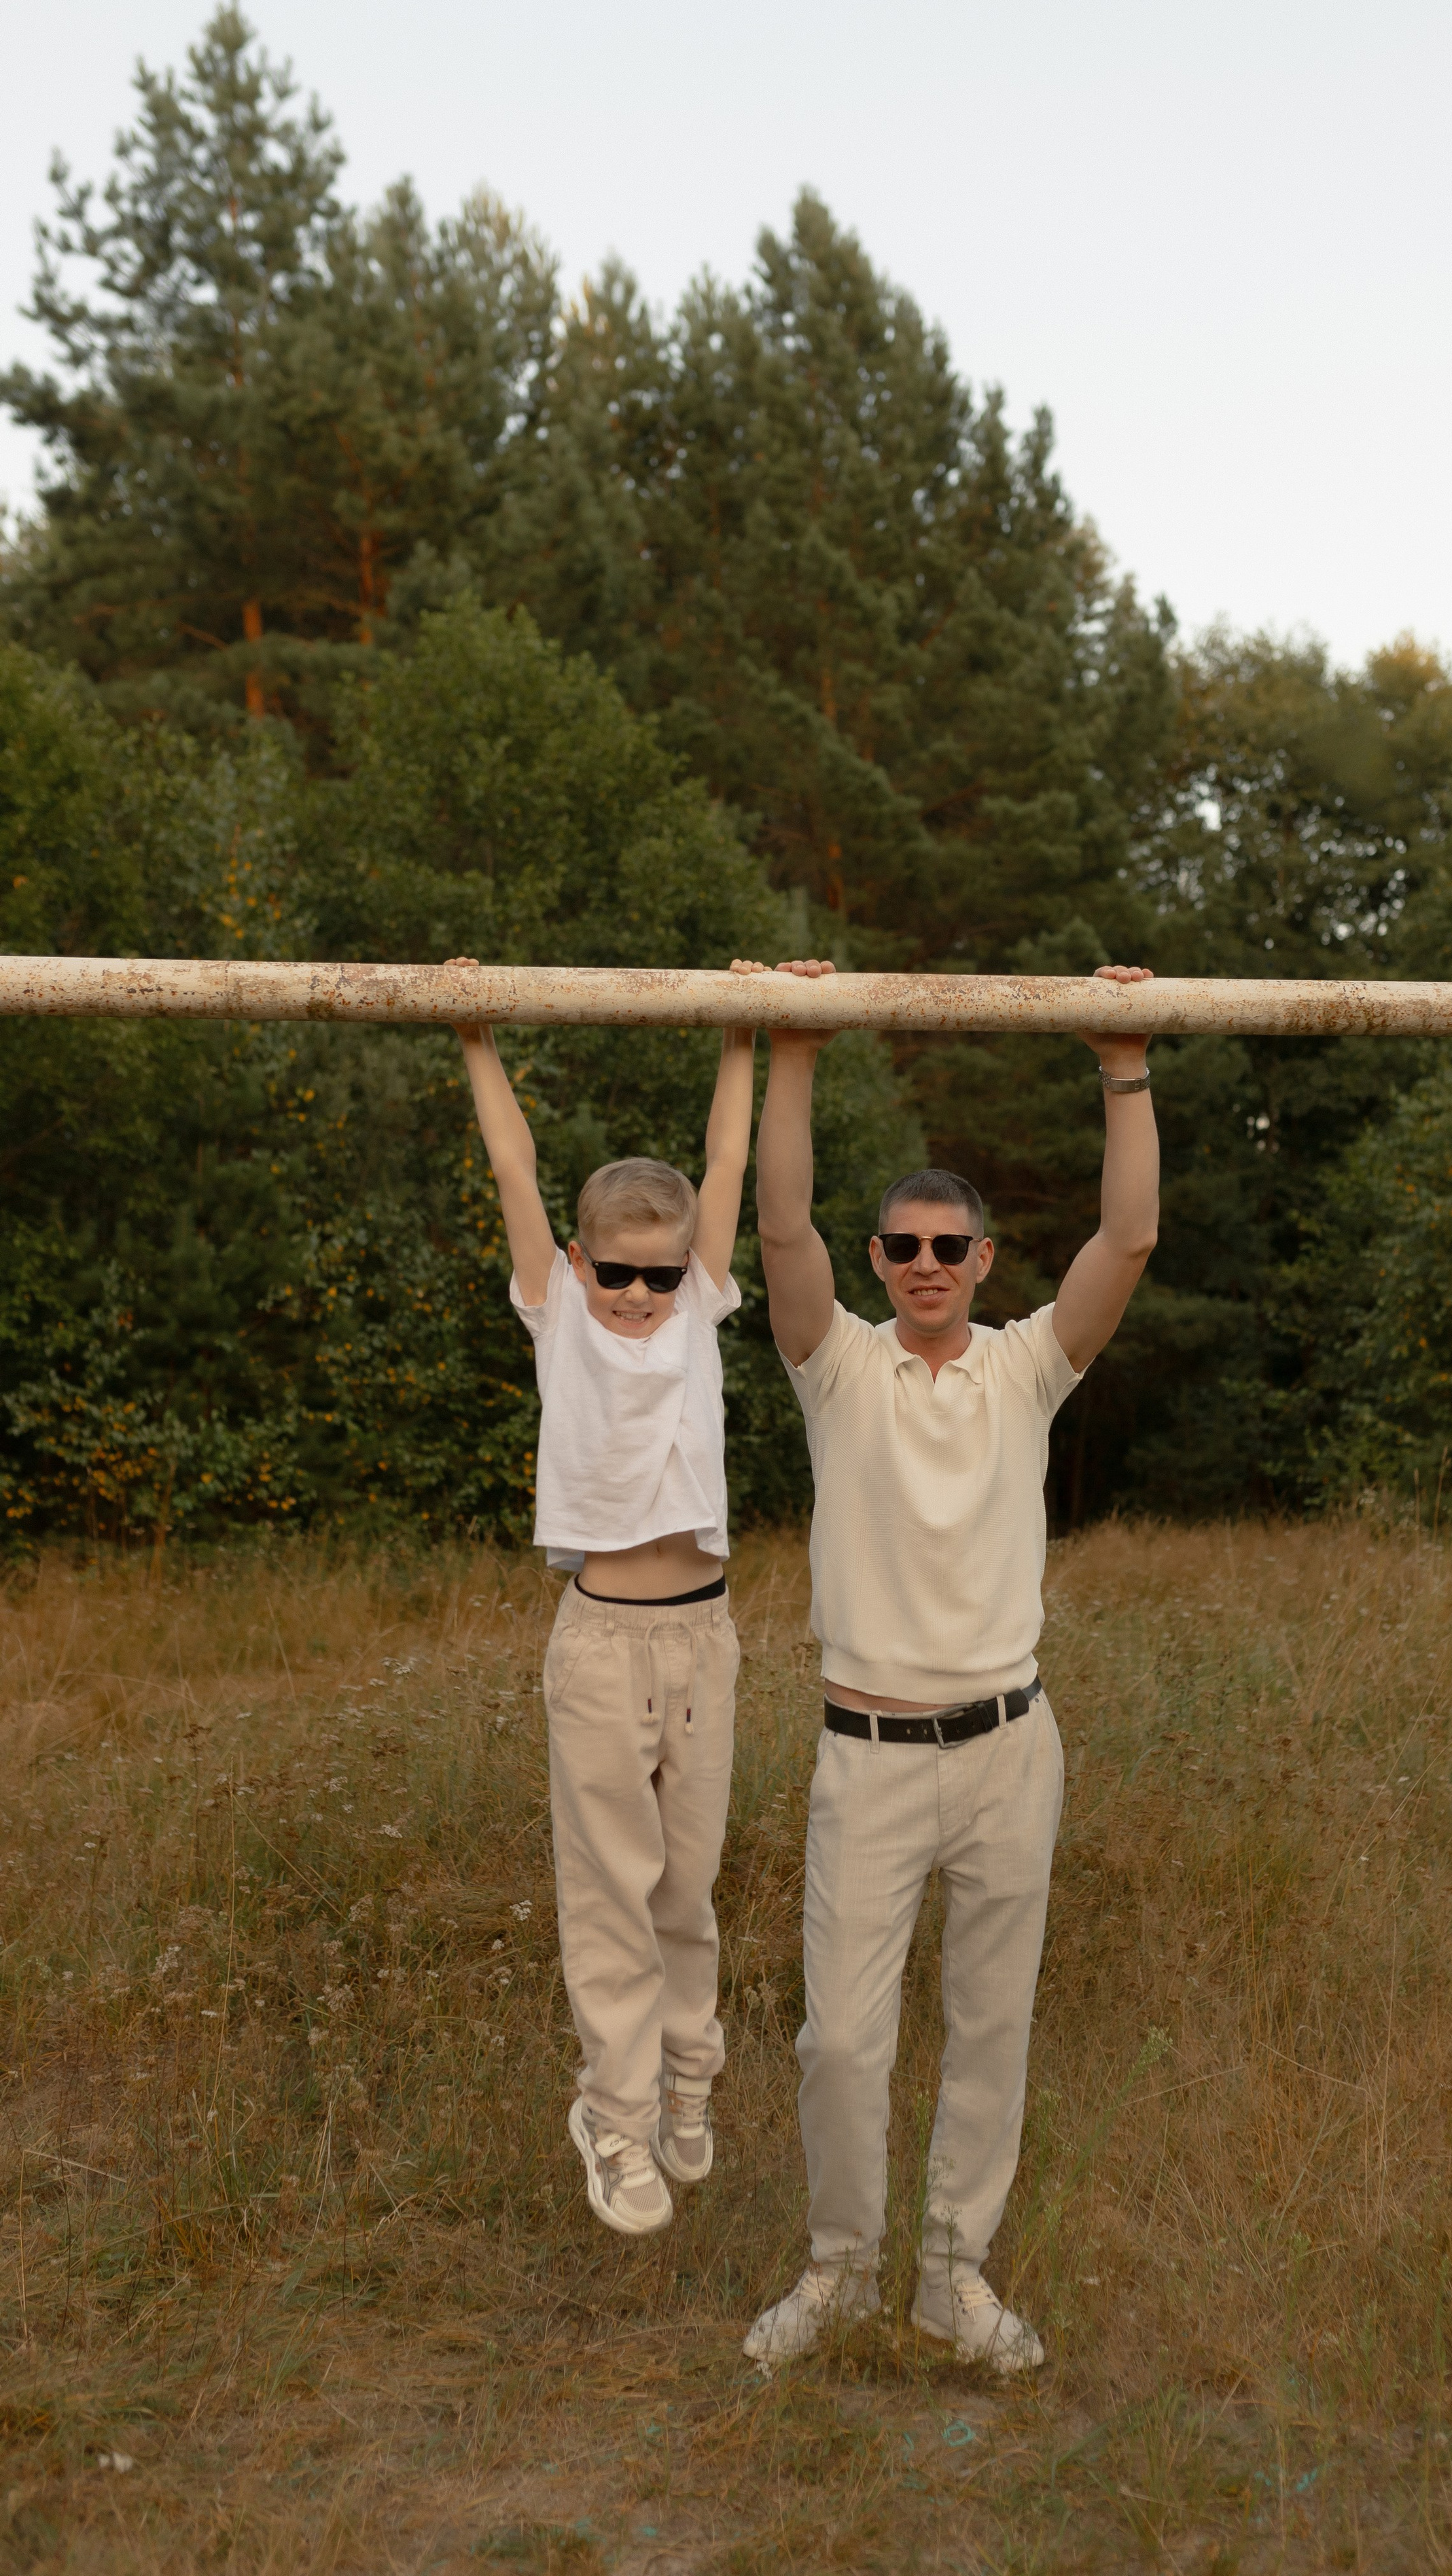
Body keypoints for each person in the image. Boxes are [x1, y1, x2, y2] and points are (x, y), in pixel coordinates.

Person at [743, 958, 1161, 2372]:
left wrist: (1121, 1064)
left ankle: (951, 2278)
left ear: (983, 1263)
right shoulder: (835, 1365)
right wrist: (792, 1046)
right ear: (878, 1263)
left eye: (947, 1247)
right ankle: (840, 2274)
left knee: (990, 2028)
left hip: (1005, 1750)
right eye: (900, 1245)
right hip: (867, 1759)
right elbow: (778, 1219)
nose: (922, 1262)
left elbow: (1129, 1240)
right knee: (839, 2046)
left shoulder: (1026, 1366)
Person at [446, 954, 767, 2238]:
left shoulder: (698, 1309)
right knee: (610, 1894)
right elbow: (515, 1170)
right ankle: (616, 2118)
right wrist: (475, 1032)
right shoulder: (558, 1315)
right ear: (579, 1262)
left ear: (689, 1272)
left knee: (686, 1887)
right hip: (601, 1642)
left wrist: (750, 1029)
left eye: (661, 1277)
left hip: (703, 1637)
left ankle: (690, 2077)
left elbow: (726, 1168)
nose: (639, 1300)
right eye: (617, 1274)